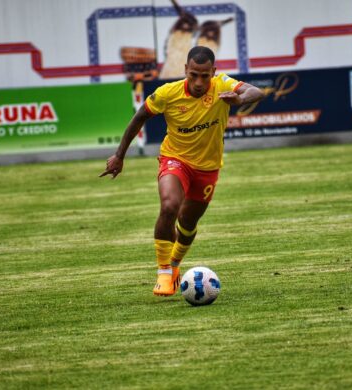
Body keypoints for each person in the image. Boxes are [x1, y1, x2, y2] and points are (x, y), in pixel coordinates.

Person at [100, 46, 265, 296]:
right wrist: (119, 155)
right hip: (175, 159)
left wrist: (239, 99)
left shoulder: (223, 85)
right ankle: (164, 271)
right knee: (169, 207)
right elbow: (139, 117)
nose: (199, 82)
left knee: (188, 223)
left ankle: (176, 266)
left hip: (208, 168)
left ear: (213, 72)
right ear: (186, 70)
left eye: (205, 76)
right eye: (194, 75)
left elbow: (257, 91)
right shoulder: (168, 93)